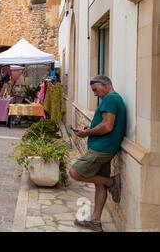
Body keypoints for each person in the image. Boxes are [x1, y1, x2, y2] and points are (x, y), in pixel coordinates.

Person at [70, 75, 126, 232]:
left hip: (102, 149)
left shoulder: (110, 99)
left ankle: (111, 182)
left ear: (105, 84)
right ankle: (95, 221)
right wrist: (90, 127)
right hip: (106, 147)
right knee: (98, 183)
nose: (95, 94)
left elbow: (108, 126)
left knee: (75, 172)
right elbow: (104, 122)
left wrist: (86, 134)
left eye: (95, 90)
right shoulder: (115, 99)